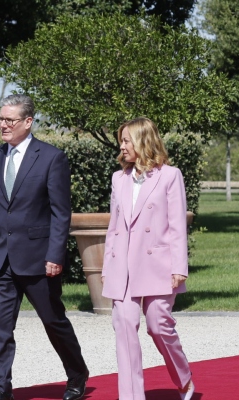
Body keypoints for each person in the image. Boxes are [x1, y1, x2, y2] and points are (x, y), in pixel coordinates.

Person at [0, 94, 89, 400]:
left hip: (39, 260)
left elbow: (60, 212)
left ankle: (77, 373)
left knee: (53, 321)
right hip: (1, 258)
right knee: (0, 328)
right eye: (1, 119)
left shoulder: (52, 157)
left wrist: (56, 255)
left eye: (10, 120)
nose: (3, 125)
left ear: (28, 122)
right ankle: (1, 388)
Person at [102, 117, 194, 400]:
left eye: (127, 140)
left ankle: (183, 378)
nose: (122, 145)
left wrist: (179, 267)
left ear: (144, 141)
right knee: (125, 328)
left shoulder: (170, 175)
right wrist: (108, 266)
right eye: (122, 140)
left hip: (158, 265)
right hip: (123, 268)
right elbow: (115, 226)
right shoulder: (119, 178)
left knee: (158, 325)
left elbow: (178, 224)